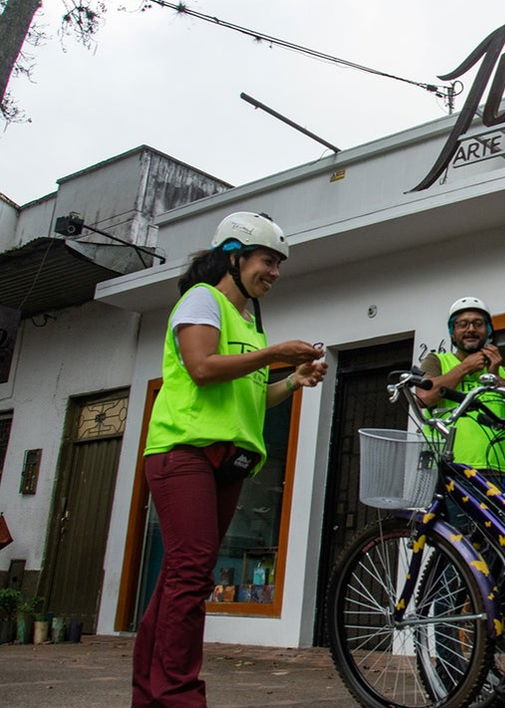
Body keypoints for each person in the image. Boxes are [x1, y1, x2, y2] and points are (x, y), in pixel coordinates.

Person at [133, 212, 326, 708]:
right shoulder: (203, 300)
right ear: (235, 256)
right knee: (192, 573)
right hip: (184, 452)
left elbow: (251, 397)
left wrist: (293, 380)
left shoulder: (249, 323)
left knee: (182, 574)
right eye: (268, 260)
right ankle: (178, 696)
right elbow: (201, 368)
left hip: (228, 460)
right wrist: (275, 354)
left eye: (279, 264)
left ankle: (151, 695)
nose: (275, 273)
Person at [416, 296, 505, 473]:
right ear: (452, 332)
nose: (471, 329)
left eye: (478, 324)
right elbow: (424, 397)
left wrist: (498, 379)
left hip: (496, 471)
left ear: (488, 331)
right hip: (446, 469)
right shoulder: (437, 361)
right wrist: (465, 367)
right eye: (463, 324)